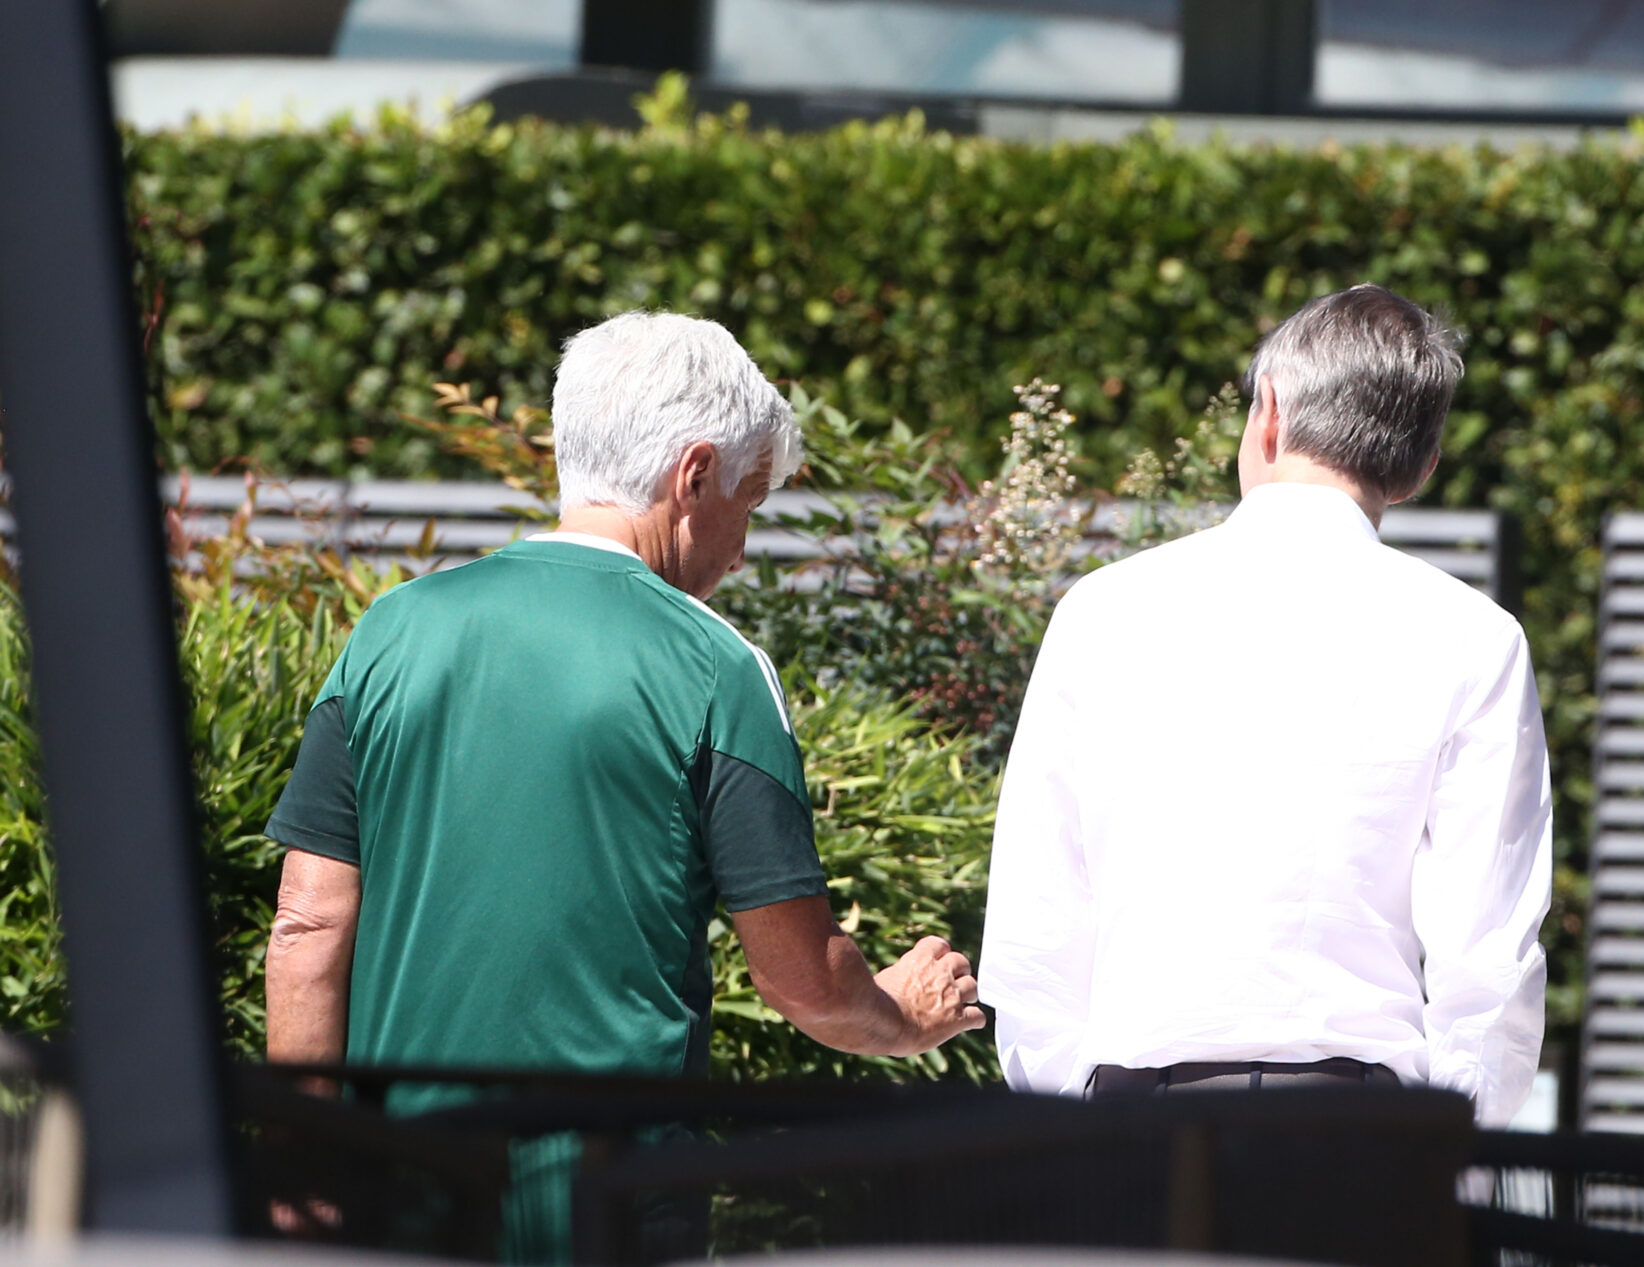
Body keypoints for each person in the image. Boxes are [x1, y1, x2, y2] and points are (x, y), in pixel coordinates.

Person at [263, 311, 985, 1255]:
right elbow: (802, 978)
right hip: (604, 1206)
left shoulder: (391, 630)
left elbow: (309, 926)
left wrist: (305, 1163)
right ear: (693, 475)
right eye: (749, 504)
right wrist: (903, 1018)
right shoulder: (718, 670)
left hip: (403, 1193)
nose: (738, 550)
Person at [979, 284, 1550, 1126]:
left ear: (1269, 411)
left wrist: (1075, 1119)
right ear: (1423, 467)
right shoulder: (1476, 638)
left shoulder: (1103, 611)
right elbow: (1490, 964)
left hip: (1131, 1123)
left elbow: (1037, 924)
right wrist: (1445, 1158)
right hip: (1361, 1140)